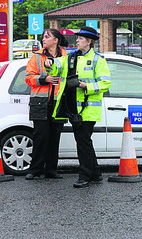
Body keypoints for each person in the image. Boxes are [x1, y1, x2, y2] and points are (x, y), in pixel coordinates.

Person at [44, 26, 111, 188]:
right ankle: (95, 173)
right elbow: (58, 67)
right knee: (84, 141)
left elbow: (105, 83)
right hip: (73, 107)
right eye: (78, 38)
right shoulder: (72, 57)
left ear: (89, 42)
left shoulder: (98, 60)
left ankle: (85, 176)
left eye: (80, 38)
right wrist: (50, 63)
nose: (77, 40)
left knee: (82, 142)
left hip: (88, 109)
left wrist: (83, 85)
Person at [24, 29, 69, 180]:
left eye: (47, 37)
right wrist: (44, 79)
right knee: (40, 137)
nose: (44, 39)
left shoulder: (66, 56)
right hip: (40, 102)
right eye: (43, 37)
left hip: (58, 102)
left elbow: (69, 76)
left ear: (56, 40)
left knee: (54, 137)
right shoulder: (37, 57)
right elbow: (29, 78)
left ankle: (51, 170)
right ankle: (35, 170)